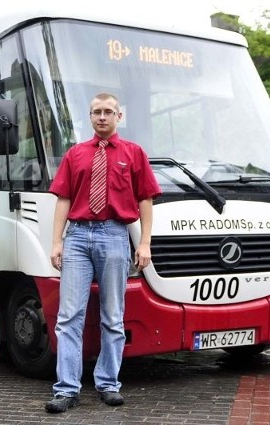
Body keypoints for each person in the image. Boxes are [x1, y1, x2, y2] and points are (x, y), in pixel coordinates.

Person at [44, 93, 162, 413]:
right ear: (90, 116)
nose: (102, 117)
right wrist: (57, 242)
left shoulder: (134, 154)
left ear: (118, 116)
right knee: (69, 317)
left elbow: (146, 202)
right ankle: (67, 389)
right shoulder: (75, 154)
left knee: (112, 316)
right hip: (78, 237)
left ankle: (108, 383)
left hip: (114, 235)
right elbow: (64, 200)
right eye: (96, 112)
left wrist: (145, 243)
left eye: (108, 112)